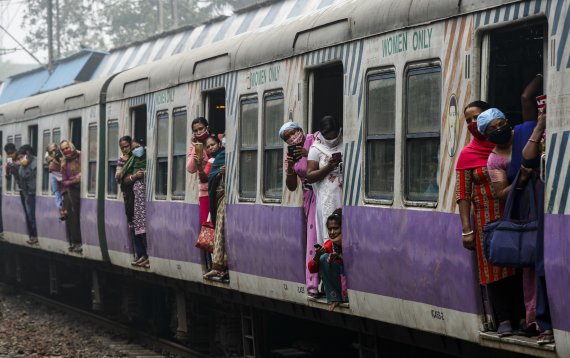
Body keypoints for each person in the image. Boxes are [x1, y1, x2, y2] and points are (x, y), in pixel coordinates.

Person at [455, 101, 525, 337]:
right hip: (486, 219)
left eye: (476, 118)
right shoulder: (467, 155)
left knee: (517, 266)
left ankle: (523, 317)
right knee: (493, 269)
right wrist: (467, 229)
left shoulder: (507, 145)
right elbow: (463, 194)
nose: (472, 124)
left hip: (515, 213)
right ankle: (503, 318)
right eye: (467, 121)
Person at [521, 107, 554, 344]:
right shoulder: (542, 132)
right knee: (543, 261)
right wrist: (541, 125)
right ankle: (545, 322)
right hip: (545, 197)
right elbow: (527, 157)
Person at [279, 121, 320, 297]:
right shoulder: (289, 157)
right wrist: (289, 170)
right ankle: (313, 284)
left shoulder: (314, 140)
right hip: (309, 196)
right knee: (313, 239)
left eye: (293, 132)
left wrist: (306, 153)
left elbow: (326, 159)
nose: (291, 137)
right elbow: (291, 186)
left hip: (323, 191)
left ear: (300, 129)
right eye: (286, 137)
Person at [306, 116, 343, 244]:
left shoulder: (346, 142)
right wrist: (328, 167)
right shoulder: (316, 149)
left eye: (335, 136)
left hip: (344, 196)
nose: (332, 140)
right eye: (328, 138)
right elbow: (310, 176)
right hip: (327, 198)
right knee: (330, 232)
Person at [186, 117, 216, 270]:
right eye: (195, 130)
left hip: (219, 188)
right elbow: (190, 169)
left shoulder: (216, 140)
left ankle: (218, 261)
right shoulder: (195, 147)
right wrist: (195, 150)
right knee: (207, 226)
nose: (199, 132)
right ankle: (211, 261)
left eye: (200, 128)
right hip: (204, 191)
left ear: (207, 127)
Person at [117, 136, 149, 268]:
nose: (125, 149)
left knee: (140, 224)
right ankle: (140, 254)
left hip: (139, 196)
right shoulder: (124, 160)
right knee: (134, 224)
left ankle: (144, 254)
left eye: (127, 146)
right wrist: (133, 177)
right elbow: (119, 177)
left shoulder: (139, 158)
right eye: (122, 147)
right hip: (129, 196)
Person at [308, 209, 347, 311]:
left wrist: (340, 258)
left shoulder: (352, 243)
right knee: (324, 258)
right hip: (340, 284)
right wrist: (317, 256)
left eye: (336, 228)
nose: (332, 232)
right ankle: (335, 297)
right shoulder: (329, 245)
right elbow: (312, 269)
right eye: (330, 229)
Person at [202, 135, 228, 280]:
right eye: (209, 146)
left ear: (219, 144)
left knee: (221, 230)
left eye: (213, 144)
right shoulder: (217, 159)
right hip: (219, 198)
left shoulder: (224, 155)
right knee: (219, 229)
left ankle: (219, 266)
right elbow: (209, 178)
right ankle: (218, 266)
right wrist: (219, 173)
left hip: (225, 197)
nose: (211, 147)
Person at [60, 140, 83, 253]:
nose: (65, 151)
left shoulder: (81, 156)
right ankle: (76, 242)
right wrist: (74, 180)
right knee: (72, 217)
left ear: (71, 146)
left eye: (66, 148)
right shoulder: (64, 162)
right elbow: (64, 181)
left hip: (83, 189)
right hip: (72, 191)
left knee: (80, 216)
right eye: (63, 149)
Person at [16, 145, 38, 245]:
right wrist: (26, 197)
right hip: (29, 195)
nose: (21, 160)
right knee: (31, 216)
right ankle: (34, 235)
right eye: (19, 158)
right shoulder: (21, 169)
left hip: (37, 194)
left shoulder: (37, 163)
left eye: (22, 157)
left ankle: (37, 235)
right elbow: (22, 184)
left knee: (36, 216)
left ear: (28, 154)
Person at [45, 143, 66, 220]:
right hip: (59, 179)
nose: (54, 152)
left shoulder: (65, 154)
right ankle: (61, 209)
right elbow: (61, 179)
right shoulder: (52, 165)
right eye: (51, 152)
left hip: (62, 179)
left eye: (55, 150)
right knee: (57, 191)